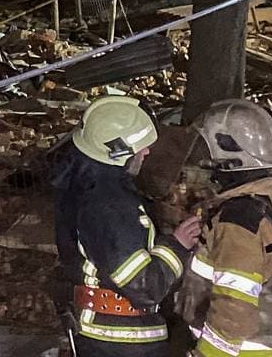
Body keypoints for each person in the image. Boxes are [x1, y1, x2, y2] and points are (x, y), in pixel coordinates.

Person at [55, 96, 201, 354]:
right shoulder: (110, 205)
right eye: (140, 147)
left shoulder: (87, 186)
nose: (146, 152)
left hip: (109, 337)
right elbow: (143, 286)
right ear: (118, 150)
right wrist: (177, 245)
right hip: (122, 342)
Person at [178, 99, 272, 357]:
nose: (202, 161)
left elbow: (234, 305)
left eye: (207, 152)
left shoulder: (239, 219)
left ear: (229, 157)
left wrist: (207, 354)